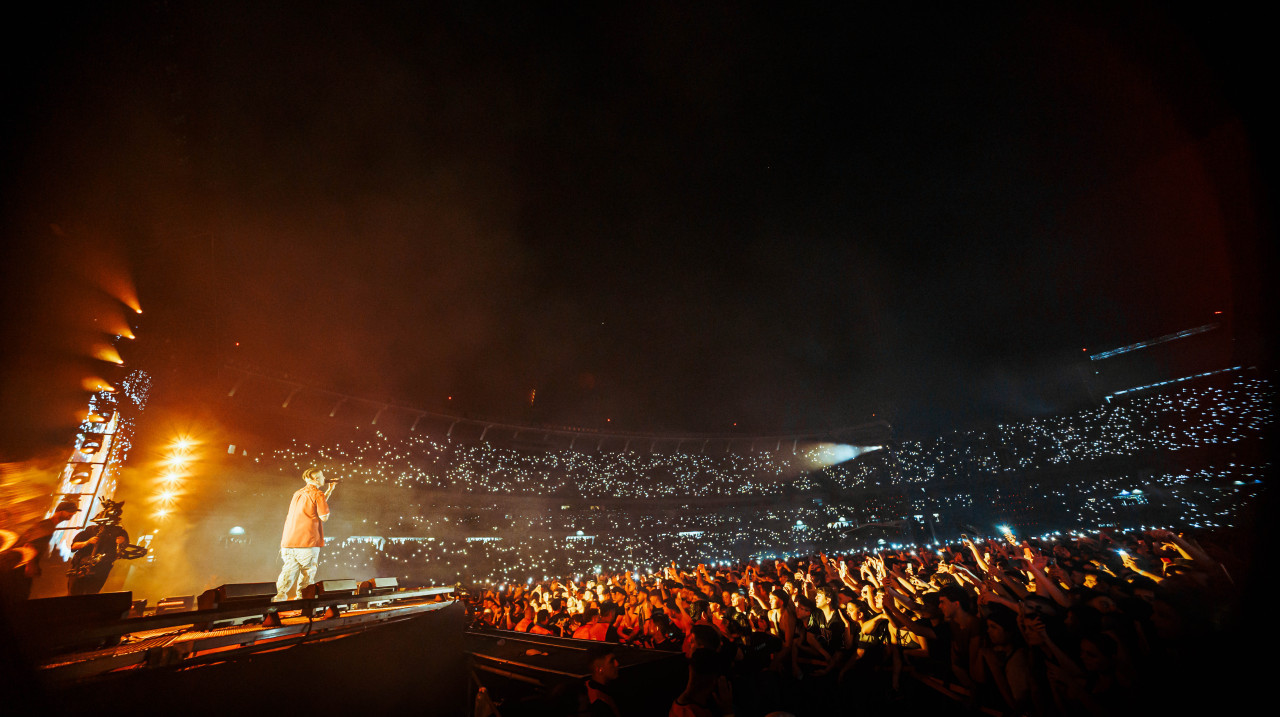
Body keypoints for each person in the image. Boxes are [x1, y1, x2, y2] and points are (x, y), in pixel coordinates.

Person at [274, 468, 337, 601]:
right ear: (316, 479)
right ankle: (303, 602)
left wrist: (329, 491)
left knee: (288, 571)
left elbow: (312, 503)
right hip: (307, 541)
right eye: (322, 476)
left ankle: (279, 600)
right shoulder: (318, 494)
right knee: (307, 573)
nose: (324, 477)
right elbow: (324, 516)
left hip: (289, 541)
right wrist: (325, 499)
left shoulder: (297, 493)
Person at [0, 500, 80, 603]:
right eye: (71, 511)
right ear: (61, 511)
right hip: (20, 569)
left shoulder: (48, 526)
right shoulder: (47, 526)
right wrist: (31, 565)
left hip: (20, 568)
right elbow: (29, 544)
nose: (73, 514)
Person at [67, 499, 133, 595]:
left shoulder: (119, 532)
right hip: (80, 568)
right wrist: (87, 542)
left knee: (91, 597)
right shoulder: (90, 530)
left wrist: (121, 542)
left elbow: (124, 546)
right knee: (73, 596)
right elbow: (73, 546)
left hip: (100, 571)